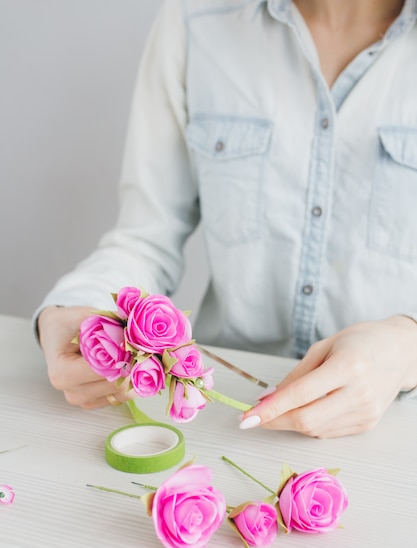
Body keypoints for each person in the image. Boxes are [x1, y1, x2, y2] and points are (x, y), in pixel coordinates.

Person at [36, 0, 417, 438]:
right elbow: (145, 237)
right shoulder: (193, 19)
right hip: (226, 419)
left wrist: (408, 349)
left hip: (399, 431)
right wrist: (71, 308)